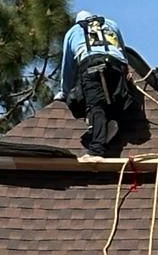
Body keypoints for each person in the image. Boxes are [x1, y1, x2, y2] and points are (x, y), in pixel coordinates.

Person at [58, 11, 141, 155]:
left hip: (90, 63)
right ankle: (116, 121)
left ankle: (97, 149)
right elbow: (122, 49)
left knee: (95, 105)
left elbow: (68, 67)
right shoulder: (110, 24)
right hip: (115, 63)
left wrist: (65, 92)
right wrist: (126, 71)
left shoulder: (73, 32)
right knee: (119, 96)